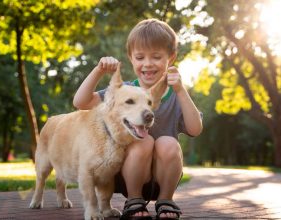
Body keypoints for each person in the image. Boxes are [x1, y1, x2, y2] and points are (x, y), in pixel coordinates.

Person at [73, 18, 202, 220]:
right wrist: (99, 70)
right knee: (143, 141)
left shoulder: (176, 94)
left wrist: (181, 90)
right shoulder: (123, 91)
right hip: (127, 176)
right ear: (131, 58)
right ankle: (134, 201)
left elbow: (195, 129)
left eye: (157, 57)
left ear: (172, 58)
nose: (148, 64)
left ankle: (166, 201)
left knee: (168, 143)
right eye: (140, 57)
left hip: (163, 178)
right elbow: (81, 102)